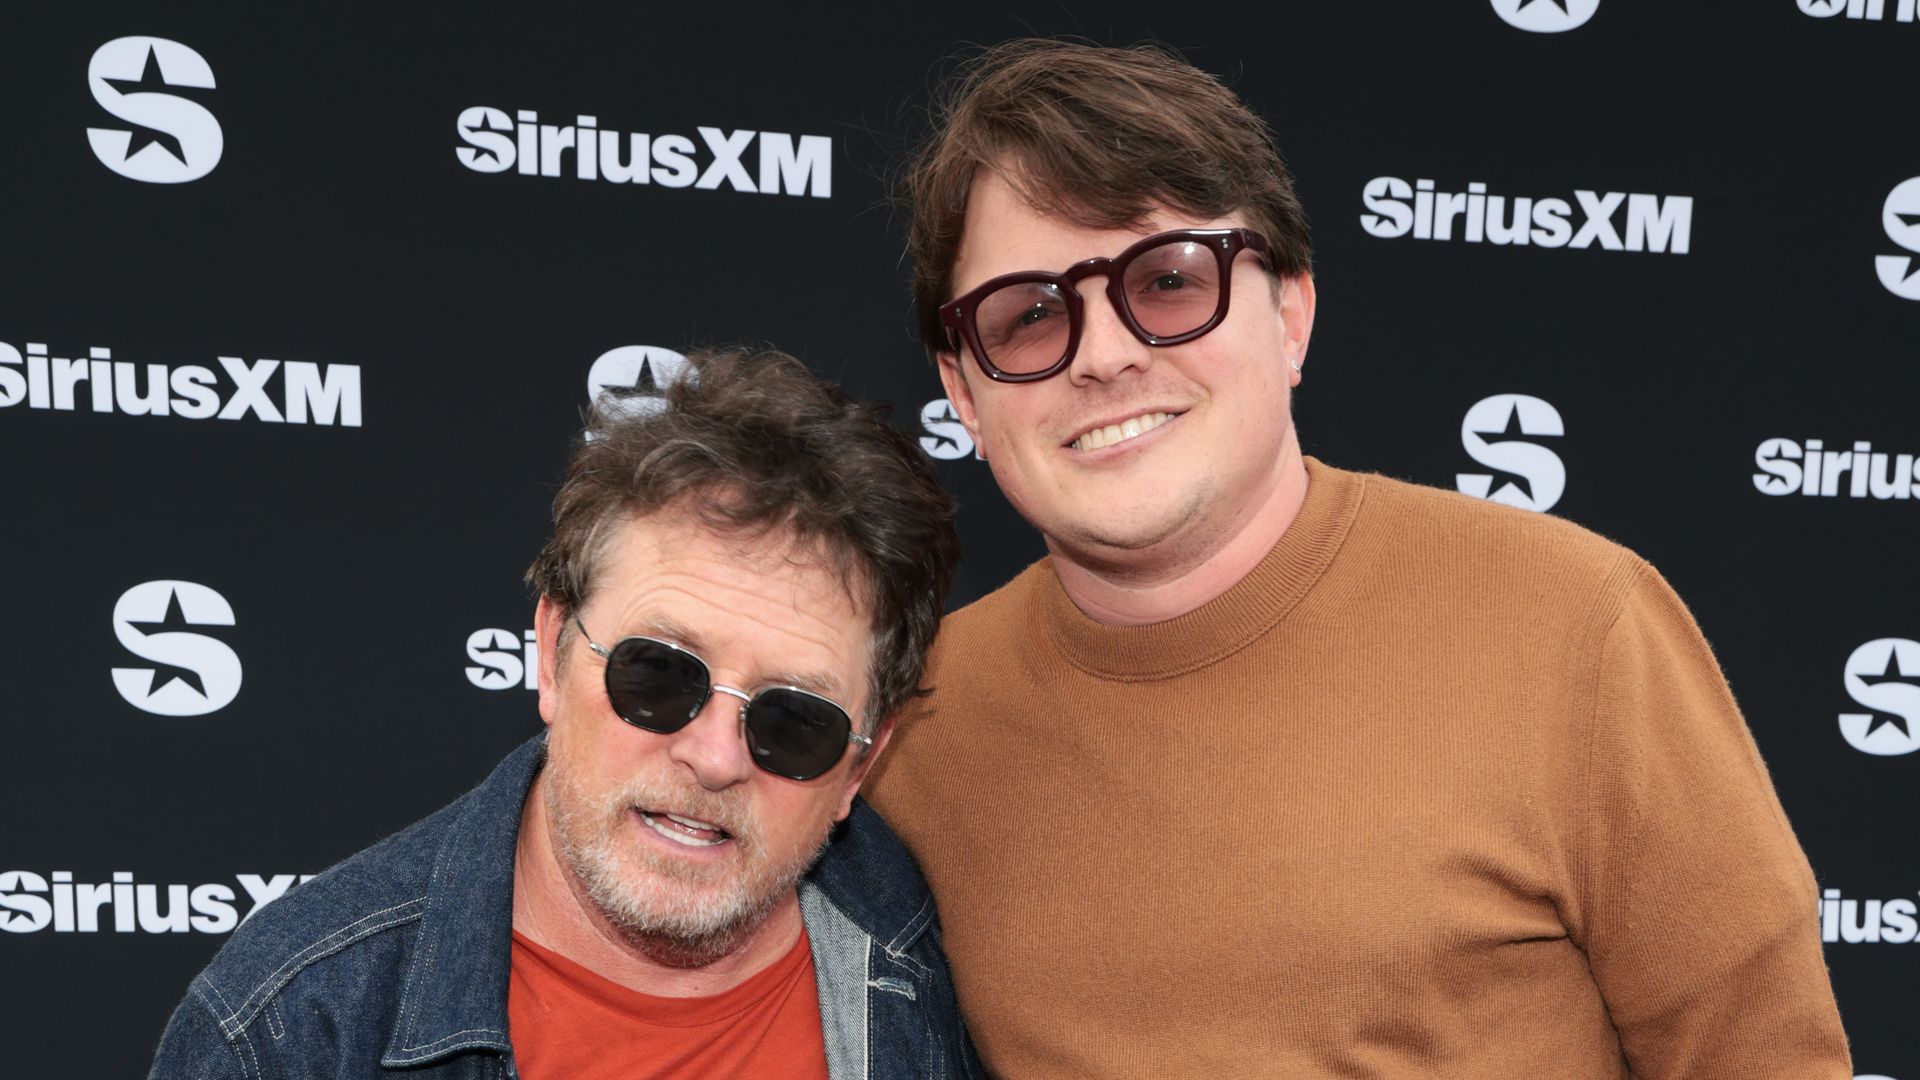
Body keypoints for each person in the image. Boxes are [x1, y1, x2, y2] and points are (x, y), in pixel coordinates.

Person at [864, 38, 1851, 1078]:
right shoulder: (910, 727)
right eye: (1028, 316)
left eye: (1167, 281)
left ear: (1291, 312)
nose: (1105, 354)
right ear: (965, 392)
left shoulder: (1576, 626)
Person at [150, 348, 977, 1080]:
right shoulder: (296, 1030)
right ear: (551, 653)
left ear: (860, 766)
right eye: (660, 674)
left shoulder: (937, 962)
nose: (717, 755)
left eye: (796, 722)